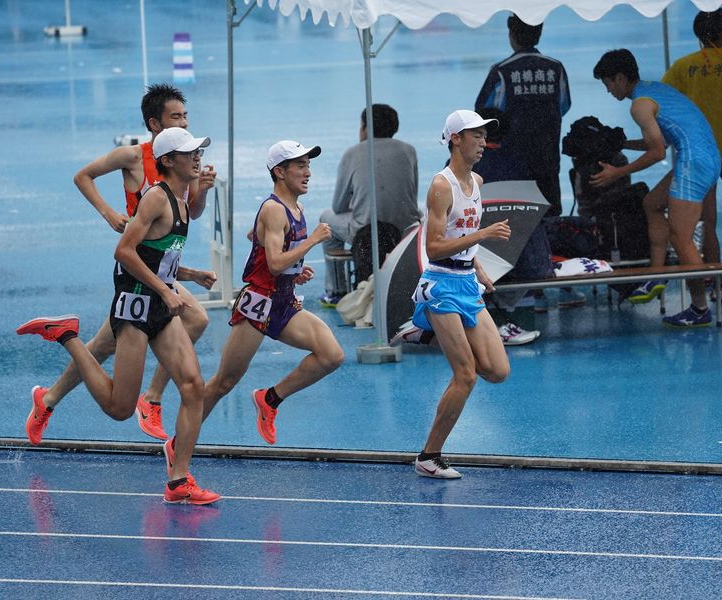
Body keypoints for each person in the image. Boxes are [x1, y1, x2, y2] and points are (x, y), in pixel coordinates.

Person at [17, 127, 220, 505]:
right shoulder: (156, 199)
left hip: (159, 302)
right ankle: (66, 336)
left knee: (193, 387)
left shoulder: (181, 199)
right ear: (168, 161)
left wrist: (189, 276)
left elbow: (157, 256)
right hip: (136, 304)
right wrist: (163, 290)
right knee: (119, 408)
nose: (198, 157)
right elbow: (124, 251)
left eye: (199, 151)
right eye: (189, 152)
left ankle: (179, 481)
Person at [198, 140, 344, 447]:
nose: (308, 172)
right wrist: (313, 241)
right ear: (279, 172)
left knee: (331, 355)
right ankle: (180, 440)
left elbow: (279, 259)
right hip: (259, 303)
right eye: (300, 166)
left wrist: (297, 270)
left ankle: (270, 399)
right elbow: (275, 264)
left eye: (309, 165)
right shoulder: (274, 210)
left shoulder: (297, 208)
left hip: (284, 300)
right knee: (224, 382)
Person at [410, 110, 511, 479]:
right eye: (476, 135)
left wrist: (479, 268)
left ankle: (428, 331)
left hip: (467, 283)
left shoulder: (478, 181)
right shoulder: (441, 185)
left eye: (485, 136)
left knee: (497, 371)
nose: (483, 141)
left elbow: (461, 236)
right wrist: (483, 236)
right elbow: (435, 247)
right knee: (466, 375)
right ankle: (429, 456)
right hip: (441, 286)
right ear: (455, 139)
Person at [593, 49, 721, 328]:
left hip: (693, 161)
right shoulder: (654, 90)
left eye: (608, 83)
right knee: (651, 203)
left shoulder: (638, 105)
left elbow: (657, 152)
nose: (608, 90)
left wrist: (619, 172)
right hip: (705, 157)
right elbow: (659, 141)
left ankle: (700, 308)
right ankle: (657, 271)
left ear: (620, 78)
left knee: (682, 237)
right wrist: (623, 144)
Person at [662, 8, 722, 302]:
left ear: (698, 36)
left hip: (698, 156)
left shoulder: (682, 67)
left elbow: (662, 105)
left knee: (708, 222)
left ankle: (715, 280)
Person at [319, 104, 421, 307]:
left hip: (366, 230)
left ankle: (337, 289)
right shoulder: (409, 151)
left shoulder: (352, 154)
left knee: (326, 218)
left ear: (365, 127)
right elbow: (411, 194)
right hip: (405, 230)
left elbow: (338, 206)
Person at [475, 14, 570, 219]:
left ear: (512, 35)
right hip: (548, 158)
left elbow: (484, 113)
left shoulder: (502, 71)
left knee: (516, 223)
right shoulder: (556, 68)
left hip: (511, 163)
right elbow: (564, 106)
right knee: (549, 220)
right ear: (539, 34)